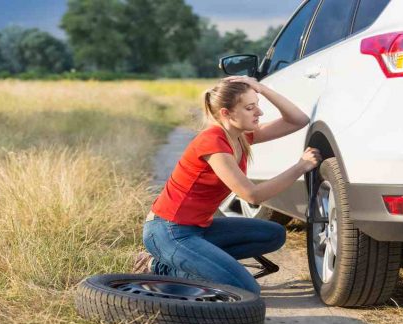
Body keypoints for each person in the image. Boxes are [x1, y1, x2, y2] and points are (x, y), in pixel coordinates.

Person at [134, 76, 322, 295]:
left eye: (257, 106)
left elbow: (298, 120)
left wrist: (261, 88)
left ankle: (190, 263)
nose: (259, 113)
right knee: (246, 289)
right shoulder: (212, 141)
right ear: (227, 113)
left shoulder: (241, 137)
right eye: (250, 108)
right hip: (168, 231)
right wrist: (301, 167)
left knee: (274, 234)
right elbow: (252, 195)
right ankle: (157, 266)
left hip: (198, 229)